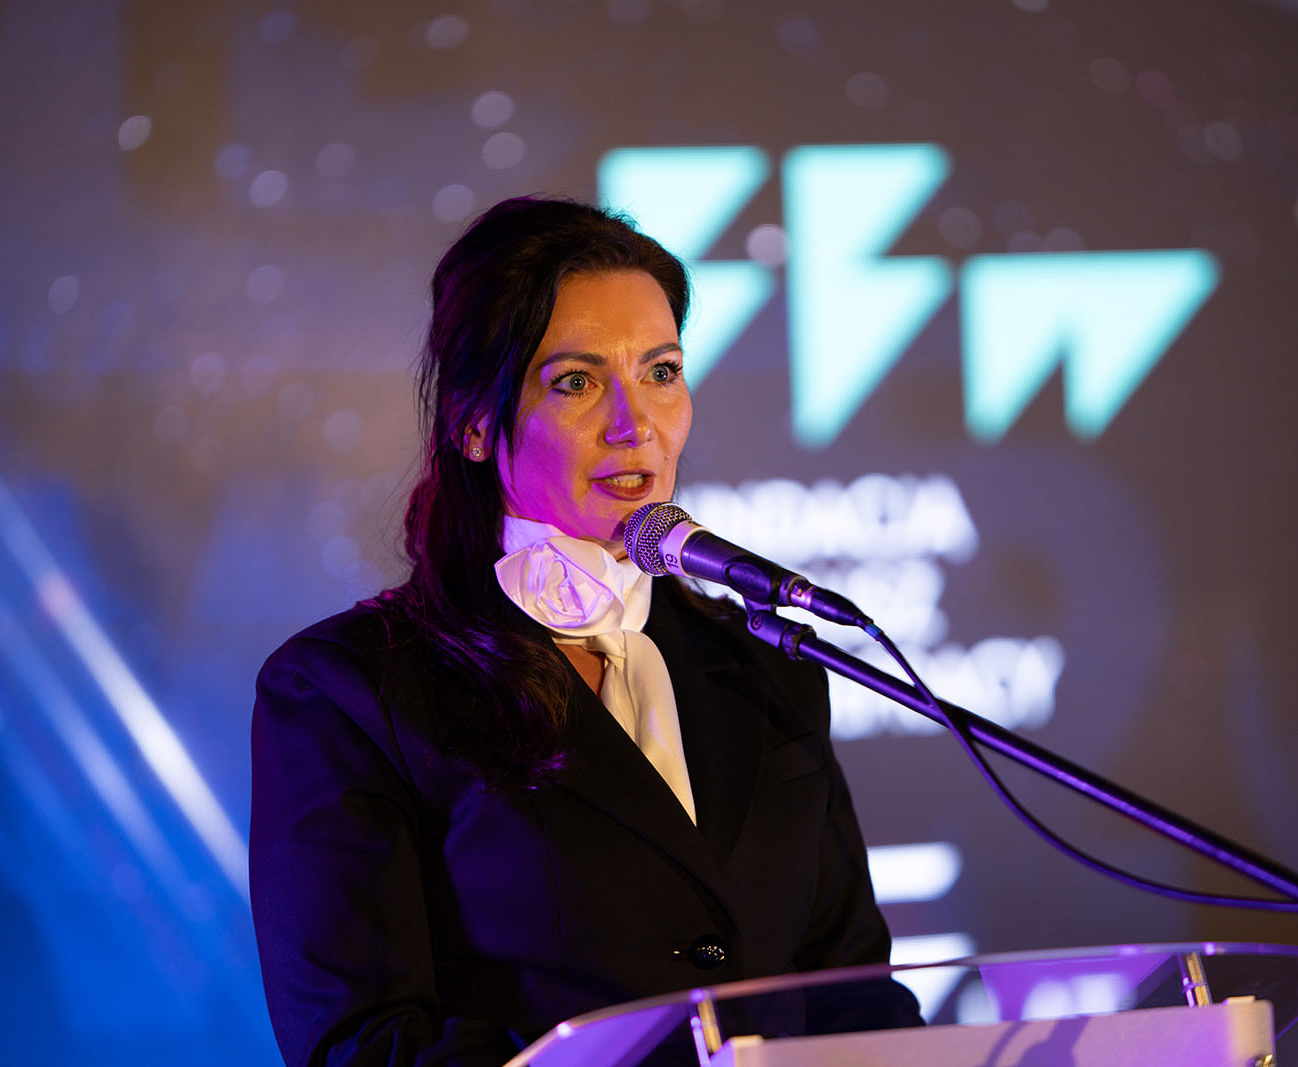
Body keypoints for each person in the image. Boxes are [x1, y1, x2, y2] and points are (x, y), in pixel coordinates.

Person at [250, 196, 915, 1066]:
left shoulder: (765, 667)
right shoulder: (348, 691)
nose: (637, 424)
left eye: (662, 371)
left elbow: (857, 997)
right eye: (577, 381)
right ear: (473, 423)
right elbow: (364, 1043)